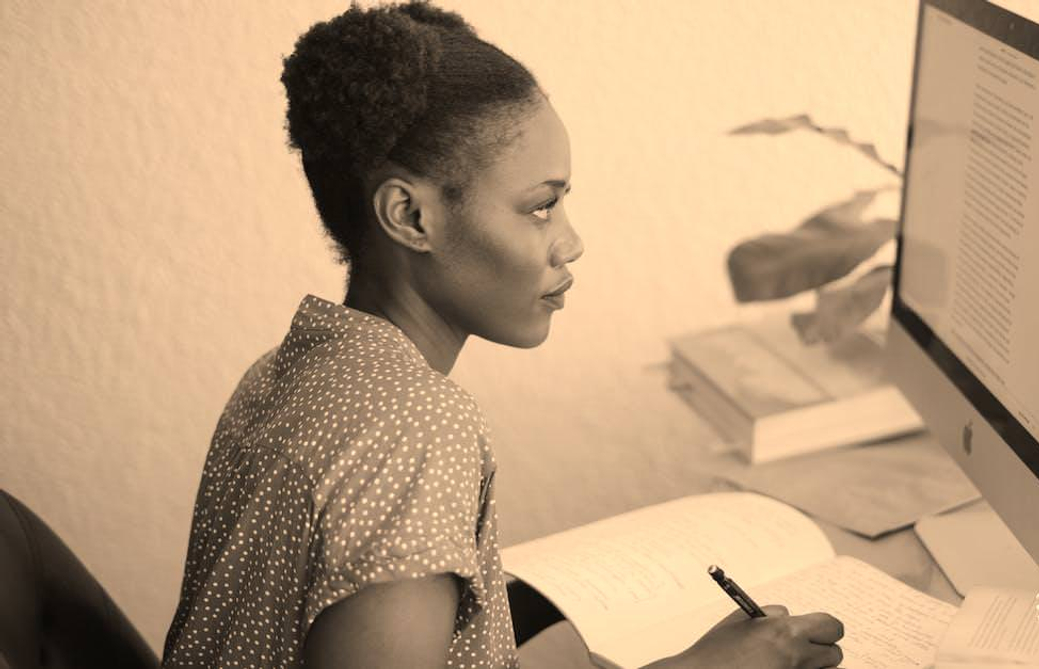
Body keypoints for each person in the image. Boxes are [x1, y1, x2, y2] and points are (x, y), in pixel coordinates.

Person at [162, 3, 845, 668]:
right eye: (541, 206)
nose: (570, 242)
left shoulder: (286, 370)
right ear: (411, 216)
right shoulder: (417, 428)